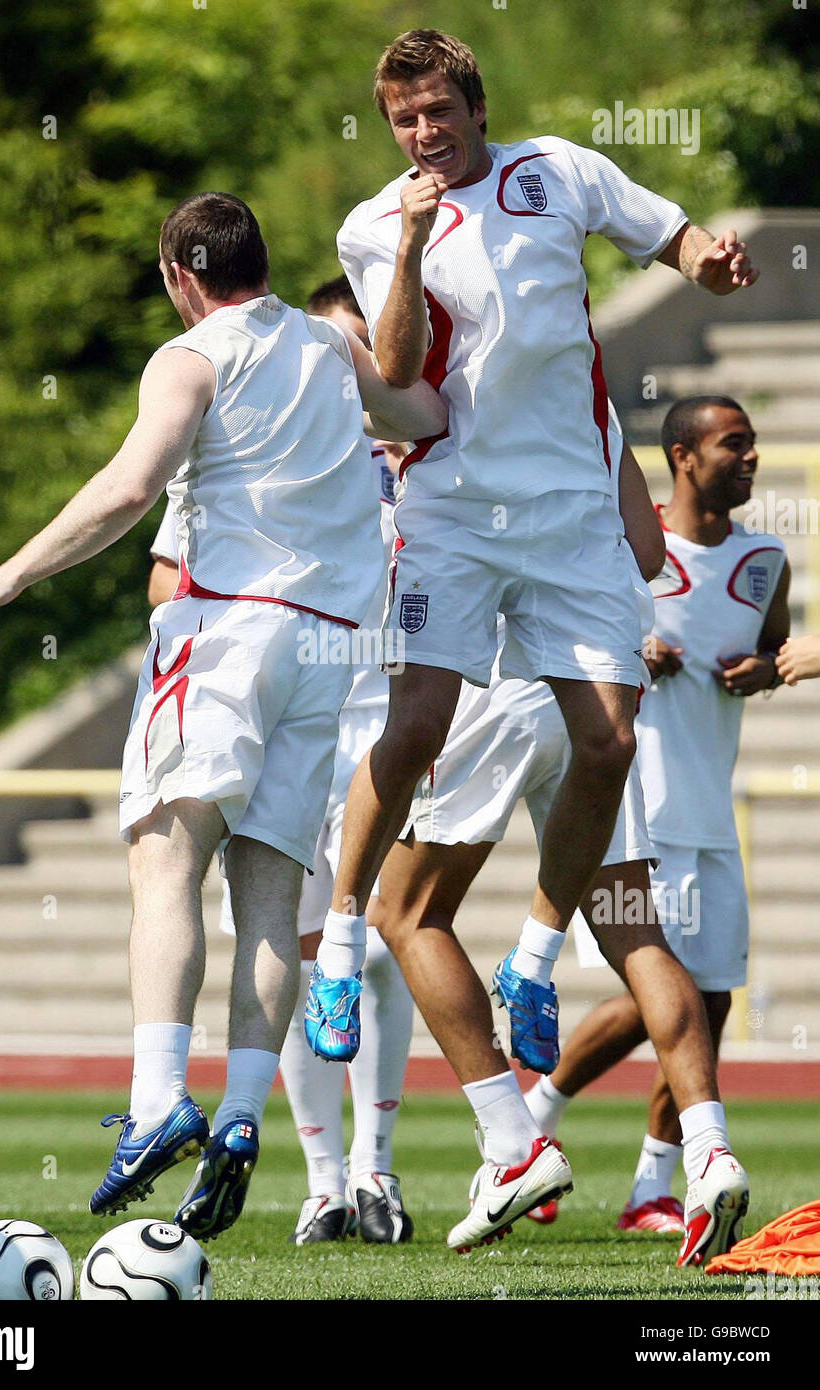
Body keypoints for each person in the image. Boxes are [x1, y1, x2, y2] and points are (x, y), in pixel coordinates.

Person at [305, 26, 759, 1252]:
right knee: (414, 722)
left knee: (608, 742)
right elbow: (393, 362)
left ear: (475, 103)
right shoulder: (371, 222)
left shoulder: (554, 170)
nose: (422, 134)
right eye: (403, 119)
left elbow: (666, 232)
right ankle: (342, 938)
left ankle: (536, 958)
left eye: (439, 111)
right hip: (452, 508)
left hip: (564, 516)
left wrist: (707, 257)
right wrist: (402, 240)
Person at [0, 194, 446, 1241]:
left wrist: (12, 572)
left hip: (223, 633)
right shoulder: (326, 344)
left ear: (181, 274)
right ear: (262, 259)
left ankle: (154, 1096)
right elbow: (421, 417)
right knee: (269, 896)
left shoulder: (191, 357)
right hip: (329, 653)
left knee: (164, 867)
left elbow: (132, 490)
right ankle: (241, 1117)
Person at [373, 411, 745, 1265]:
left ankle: (514, 1145)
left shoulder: (455, 388)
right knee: (637, 935)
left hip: (501, 688)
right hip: (595, 693)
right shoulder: (592, 401)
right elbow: (649, 555)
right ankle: (708, 1152)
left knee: (409, 913)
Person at [149, 276, 417, 1245]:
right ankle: (322, 1178)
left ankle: (378, 1167)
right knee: (298, 945)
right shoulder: (247, 451)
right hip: (294, 710)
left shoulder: (418, 465)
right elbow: (164, 574)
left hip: (389, 717)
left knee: (383, 944)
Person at [523, 397, 790, 1264]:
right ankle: (535, 1123)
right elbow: (562, 639)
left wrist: (758, 673)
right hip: (643, 808)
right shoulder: (632, 556)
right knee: (655, 997)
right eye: (731, 444)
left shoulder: (764, 560)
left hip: (712, 812)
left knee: (707, 1002)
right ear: (681, 455)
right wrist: (630, 651)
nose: (747, 458)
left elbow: (771, 650)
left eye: (750, 445)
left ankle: (647, 1187)